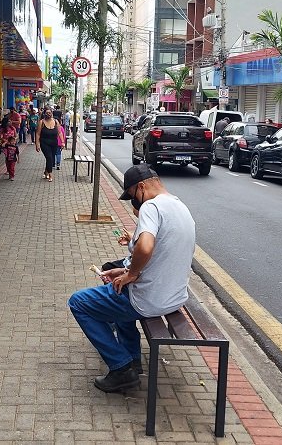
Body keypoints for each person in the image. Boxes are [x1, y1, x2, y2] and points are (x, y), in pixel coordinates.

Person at [68, 164, 196, 392]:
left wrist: (132, 274)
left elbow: (145, 248)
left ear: (142, 187)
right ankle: (132, 358)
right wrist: (125, 271)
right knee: (117, 291)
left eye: (132, 196)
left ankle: (121, 368)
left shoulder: (151, 206)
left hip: (150, 299)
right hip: (175, 297)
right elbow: (160, 253)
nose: (133, 203)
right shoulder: (180, 206)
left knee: (79, 302)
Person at [36, 109, 60, 182]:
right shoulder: (41, 122)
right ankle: (50, 174)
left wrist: (62, 142)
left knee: (51, 158)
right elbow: (37, 134)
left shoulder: (56, 121)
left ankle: (46, 171)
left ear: (52, 113)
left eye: (49, 113)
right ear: (44, 114)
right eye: (47, 113)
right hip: (44, 143)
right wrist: (37, 144)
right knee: (49, 157)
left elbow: (59, 133)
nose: (48, 114)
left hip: (54, 143)